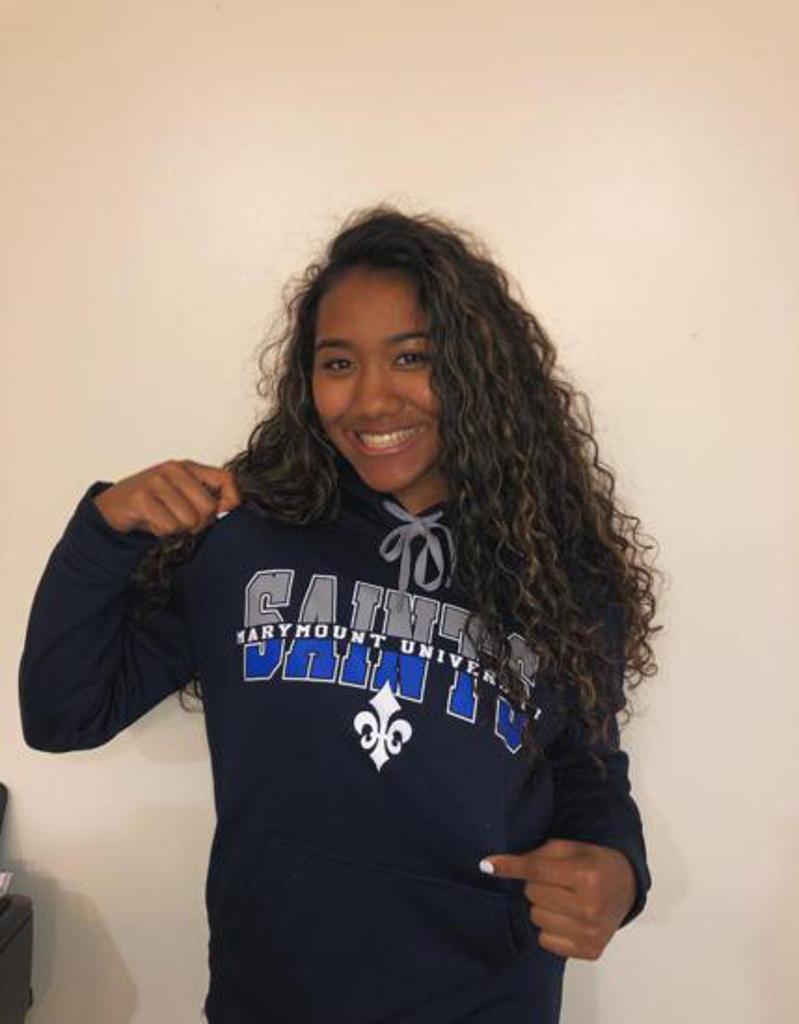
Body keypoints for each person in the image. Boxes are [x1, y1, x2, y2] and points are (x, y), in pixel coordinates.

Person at [18, 205, 660, 1023]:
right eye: (337, 363)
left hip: (486, 998)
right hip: (271, 997)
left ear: (479, 370)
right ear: (306, 380)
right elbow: (64, 714)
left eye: (412, 357)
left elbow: (585, 768)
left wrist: (618, 870)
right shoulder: (243, 540)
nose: (369, 399)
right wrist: (103, 535)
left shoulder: (555, 571)